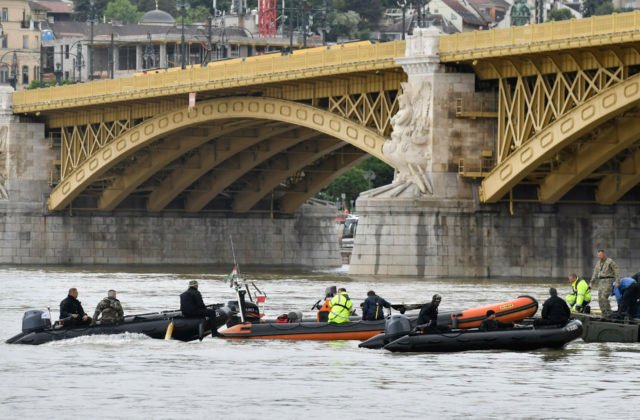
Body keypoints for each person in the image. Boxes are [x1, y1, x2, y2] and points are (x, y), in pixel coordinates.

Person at [590, 249, 620, 317]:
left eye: (600, 255)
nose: (599, 256)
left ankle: (609, 313)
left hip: (608, 281)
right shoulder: (598, 263)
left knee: (604, 297)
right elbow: (595, 273)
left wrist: (617, 281)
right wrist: (591, 283)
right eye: (598, 255)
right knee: (600, 298)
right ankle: (604, 313)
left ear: (603, 254)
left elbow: (616, 271)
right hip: (601, 282)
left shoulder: (610, 261)